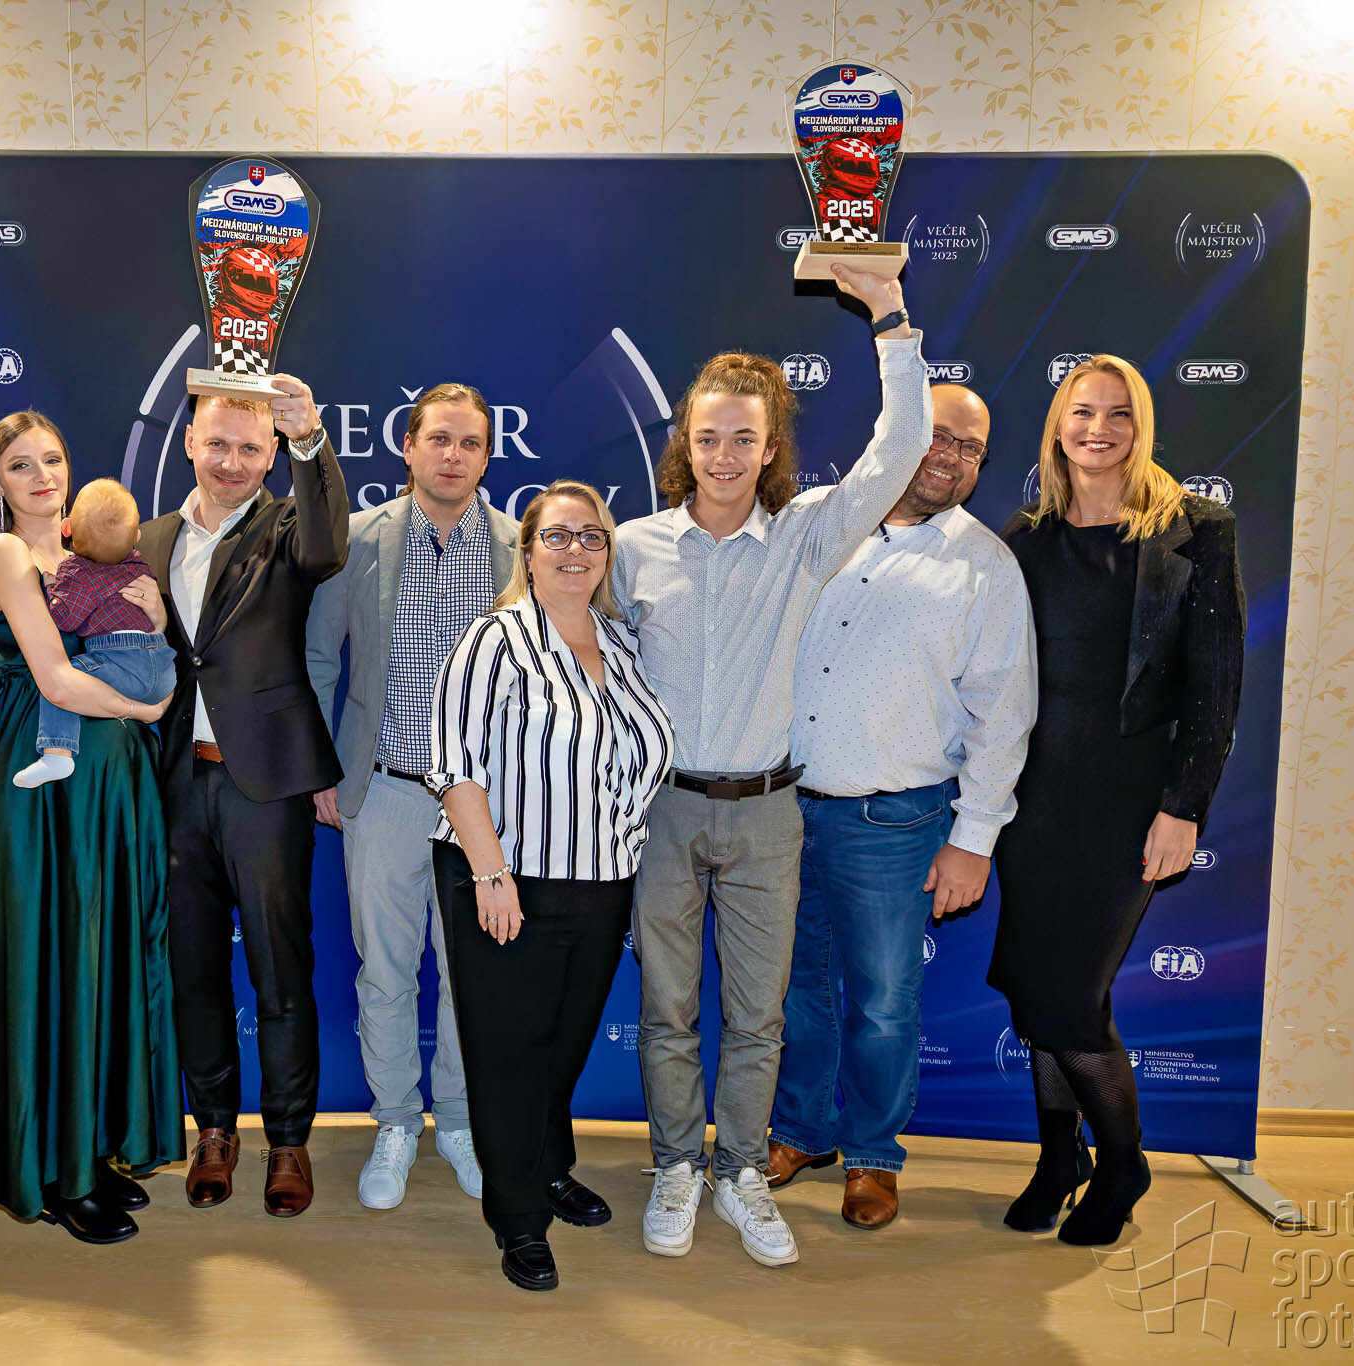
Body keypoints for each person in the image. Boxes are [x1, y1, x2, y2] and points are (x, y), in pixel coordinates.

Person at [612, 264, 929, 1267]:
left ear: (770, 447)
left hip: (764, 815)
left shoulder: (804, 538)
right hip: (661, 812)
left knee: (757, 1015)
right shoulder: (631, 547)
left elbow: (900, 450)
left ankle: (740, 1169)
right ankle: (676, 1162)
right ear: (684, 441)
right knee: (666, 1011)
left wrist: (889, 317)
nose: (723, 455)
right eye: (707, 436)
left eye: (743, 438)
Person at [766, 384, 1038, 1230]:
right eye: (937, 435)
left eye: (969, 447)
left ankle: (874, 1157)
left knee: (884, 1003)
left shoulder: (985, 567)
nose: (949, 456)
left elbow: (1004, 713)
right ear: (900, 433)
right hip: (777, 812)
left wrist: (975, 838)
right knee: (793, 994)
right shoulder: (811, 520)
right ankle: (800, 1132)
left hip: (896, 823)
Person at [991, 355, 1244, 1246]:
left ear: (1141, 427)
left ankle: (1123, 1161)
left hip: (1129, 801)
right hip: (1031, 799)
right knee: (1036, 991)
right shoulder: (1026, 536)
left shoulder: (1194, 531)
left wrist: (1185, 806)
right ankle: (1058, 1158)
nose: (1098, 430)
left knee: (1070, 995)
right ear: (1058, 426)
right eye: (1082, 412)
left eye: (1118, 414)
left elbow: (1217, 687)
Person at [428, 480, 675, 1293]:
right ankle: (518, 1217)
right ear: (527, 552)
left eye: (591, 536)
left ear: (608, 553)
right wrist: (490, 873)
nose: (576, 550)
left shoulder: (623, 643)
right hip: (507, 879)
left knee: (563, 1047)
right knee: (508, 1057)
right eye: (558, 536)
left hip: (601, 881)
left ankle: (548, 1165)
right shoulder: (494, 639)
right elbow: (455, 766)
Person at [0, 411, 182, 1244]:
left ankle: (92, 1147)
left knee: (102, 957)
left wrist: (154, 624)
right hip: (42, 794)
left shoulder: (99, 556)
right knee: (47, 958)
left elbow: (144, 635)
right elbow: (52, 678)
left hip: (111, 789)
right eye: (21, 465)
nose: (42, 476)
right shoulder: (7, 555)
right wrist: (147, 709)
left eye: (52, 459)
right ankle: (48, 1171)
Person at [140, 376, 349, 1217]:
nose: (230, 462)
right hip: (172, 784)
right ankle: (215, 1130)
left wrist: (311, 440)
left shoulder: (292, 526)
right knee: (192, 967)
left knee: (279, 968)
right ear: (190, 442)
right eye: (218, 444)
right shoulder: (148, 539)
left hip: (265, 784)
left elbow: (329, 545)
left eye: (250, 448)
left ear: (271, 456)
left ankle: (289, 1140)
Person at [305, 383, 516, 1210]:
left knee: (472, 975)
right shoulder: (357, 539)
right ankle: (395, 1120)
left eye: (470, 443)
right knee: (386, 972)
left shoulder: (520, 545)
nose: (453, 456)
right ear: (409, 446)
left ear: (487, 456)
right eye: (439, 439)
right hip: (386, 790)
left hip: (489, 805)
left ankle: (459, 1121)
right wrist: (322, 769)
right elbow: (319, 659)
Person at [13, 478, 176, 789]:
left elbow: (65, 619)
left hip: (119, 661)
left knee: (66, 678)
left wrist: (51, 589)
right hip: (162, 668)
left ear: (67, 529)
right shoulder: (139, 564)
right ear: (137, 537)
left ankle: (57, 752)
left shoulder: (78, 572)